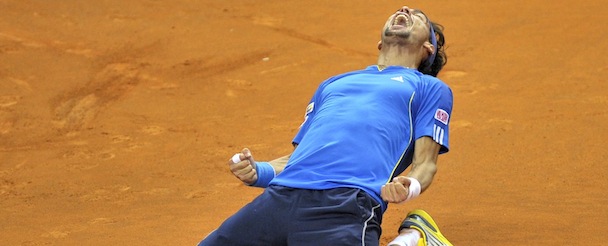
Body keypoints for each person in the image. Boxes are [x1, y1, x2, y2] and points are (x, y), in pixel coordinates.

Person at [199, 5, 453, 246]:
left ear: (428, 47)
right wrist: (259, 171)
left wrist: (410, 186)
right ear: (380, 42)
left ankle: (414, 239)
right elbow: (298, 157)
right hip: (279, 198)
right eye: (401, 10)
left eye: (418, 16)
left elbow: (426, 163)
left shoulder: (429, 88)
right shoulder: (332, 84)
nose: (405, 9)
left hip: (345, 203)